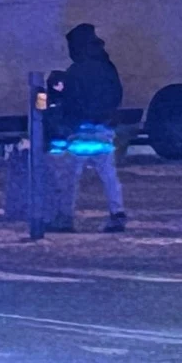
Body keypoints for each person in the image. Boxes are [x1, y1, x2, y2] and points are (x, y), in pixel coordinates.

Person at [47, 24, 126, 233]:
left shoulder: (76, 71)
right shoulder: (107, 67)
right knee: (108, 174)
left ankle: (65, 217)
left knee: (71, 176)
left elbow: (70, 102)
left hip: (80, 132)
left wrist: (67, 122)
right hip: (104, 129)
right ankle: (117, 213)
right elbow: (117, 94)